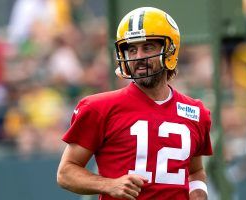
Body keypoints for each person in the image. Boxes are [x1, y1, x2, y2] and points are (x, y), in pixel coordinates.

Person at [57, 7, 213, 200]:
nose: (138, 57)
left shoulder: (195, 112)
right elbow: (65, 172)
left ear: (169, 50)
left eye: (147, 48)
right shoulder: (99, 108)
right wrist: (109, 184)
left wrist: (199, 194)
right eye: (131, 49)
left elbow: (195, 171)